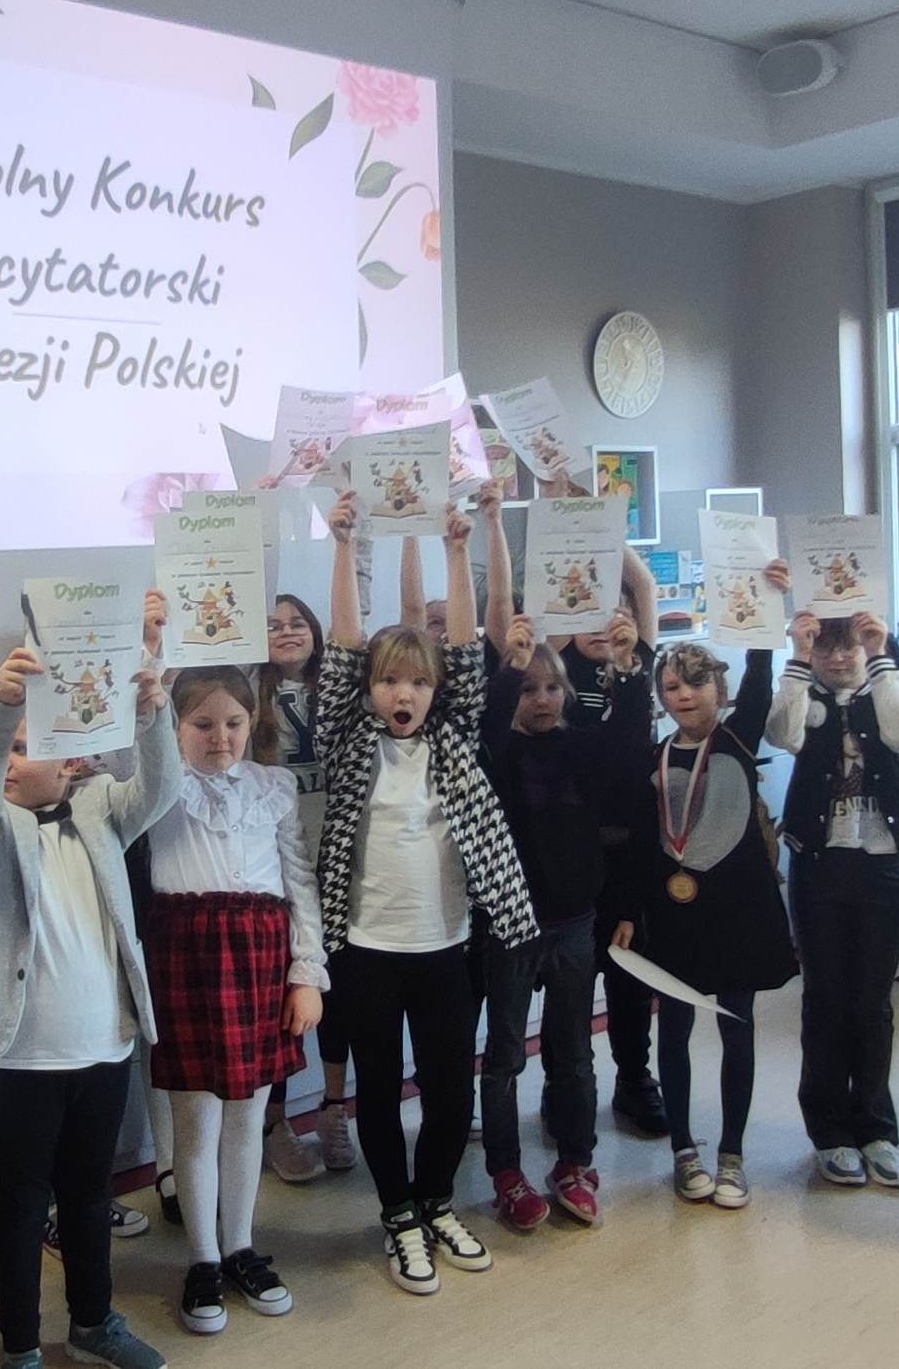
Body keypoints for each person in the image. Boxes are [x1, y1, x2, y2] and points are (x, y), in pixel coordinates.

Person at [0, 600, 180, 1369]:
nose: (15, 762)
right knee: (20, 1207)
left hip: (103, 1047)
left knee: (88, 1197)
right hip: (20, 1058)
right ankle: (20, 1346)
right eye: (10, 750)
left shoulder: (101, 809)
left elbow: (161, 790)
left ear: (73, 758)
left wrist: (152, 713)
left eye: (29, 748)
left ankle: (92, 1321)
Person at [316, 492, 535, 1295]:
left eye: (416, 682)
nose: (401, 695)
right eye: (387, 683)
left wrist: (456, 547)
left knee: (447, 1092)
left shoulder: (454, 733)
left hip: (446, 949)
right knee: (378, 1092)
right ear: (369, 690)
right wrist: (345, 545)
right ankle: (398, 1214)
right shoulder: (349, 738)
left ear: (436, 690)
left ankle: (437, 1200)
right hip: (367, 952)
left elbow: (469, 649)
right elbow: (342, 647)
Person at [145, 667, 325, 1334]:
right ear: (175, 727)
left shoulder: (272, 787)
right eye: (201, 724)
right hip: (188, 954)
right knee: (196, 1123)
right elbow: (136, 749)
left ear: (253, 723)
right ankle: (202, 1257)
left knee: (249, 1118)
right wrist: (151, 670)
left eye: (233, 723)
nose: (219, 737)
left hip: (261, 956)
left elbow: (299, 881)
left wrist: (307, 973)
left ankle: (240, 1245)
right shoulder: (160, 785)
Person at [613, 576, 798, 1213]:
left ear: (719, 690)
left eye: (696, 683)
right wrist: (628, 912)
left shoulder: (738, 740)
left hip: (738, 911)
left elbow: (760, 683)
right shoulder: (655, 756)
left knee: (737, 1028)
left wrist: (767, 611)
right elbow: (642, 843)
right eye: (671, 686)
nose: (684, 695)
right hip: (674, 913)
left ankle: (733, 1153)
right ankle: (684, 1149)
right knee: (675, 1029)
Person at [479, 610, 651, 1230]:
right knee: (505, 1055)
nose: (543, 699)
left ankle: (576, 1162)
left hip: (575, 922)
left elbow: (629, 738)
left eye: (553, 687)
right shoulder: (497, 753)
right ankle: (506, 1172)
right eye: (530, 689)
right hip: (510, 925)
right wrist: (511, 667)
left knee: (574, 1051)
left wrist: (628, 667)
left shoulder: (581, 747)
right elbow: (488, 722)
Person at [766, 606, 899, 1190]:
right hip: (819, 864)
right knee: (825, 998)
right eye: (826, 646)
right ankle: (830, 1131)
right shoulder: (805, 695)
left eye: (849, 646)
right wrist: (795, 656)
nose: (837, 657)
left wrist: (880, 657)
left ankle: (877, 1128)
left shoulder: (889, 690)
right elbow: (782, 734)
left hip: (882, 865)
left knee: (873, 1002)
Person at [553, 550, 667, 1137]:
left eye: (612, 609)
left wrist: (601, 523)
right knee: (568, 985)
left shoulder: (636, 659)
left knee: (630, 977)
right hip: (569, 853)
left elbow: (642, 582)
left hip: (629, 852)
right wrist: (568, 530)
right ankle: (562, 1085)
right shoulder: (554, 666)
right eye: (587, 611)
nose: (600, 623)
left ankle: (634, 1078)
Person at [252, 592, 338, 1181]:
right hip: (277, 863)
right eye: (272, 625)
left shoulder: (339, 688)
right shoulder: (248, 695)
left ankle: (334, 1107)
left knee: (341, 995)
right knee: (284, 998)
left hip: (338, 856)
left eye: (297, 622)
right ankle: (274, 1123)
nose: (286, 631)